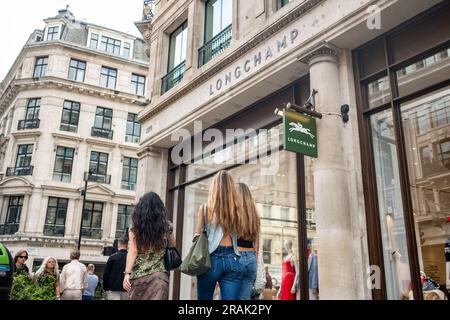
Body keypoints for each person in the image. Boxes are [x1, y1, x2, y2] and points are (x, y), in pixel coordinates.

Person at [196, 170, 244, 300]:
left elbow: (197, 236)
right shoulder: (237, 211)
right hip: (233, 259)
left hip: (210, 260)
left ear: (214, 188)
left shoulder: (205, 209)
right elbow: (239, 234)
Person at [122, 192, 175, 300]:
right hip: (159, 277)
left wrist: (127, 273)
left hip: (138, 278)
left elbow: (133, 251)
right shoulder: (167, 226)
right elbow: (173, 245)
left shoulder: (134, 227)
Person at [236, 182, 261, 300]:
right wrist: (255, 263)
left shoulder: (233, 214)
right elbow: (257, 244)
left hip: (236, 257)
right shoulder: (255, 215)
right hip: (251, 259)